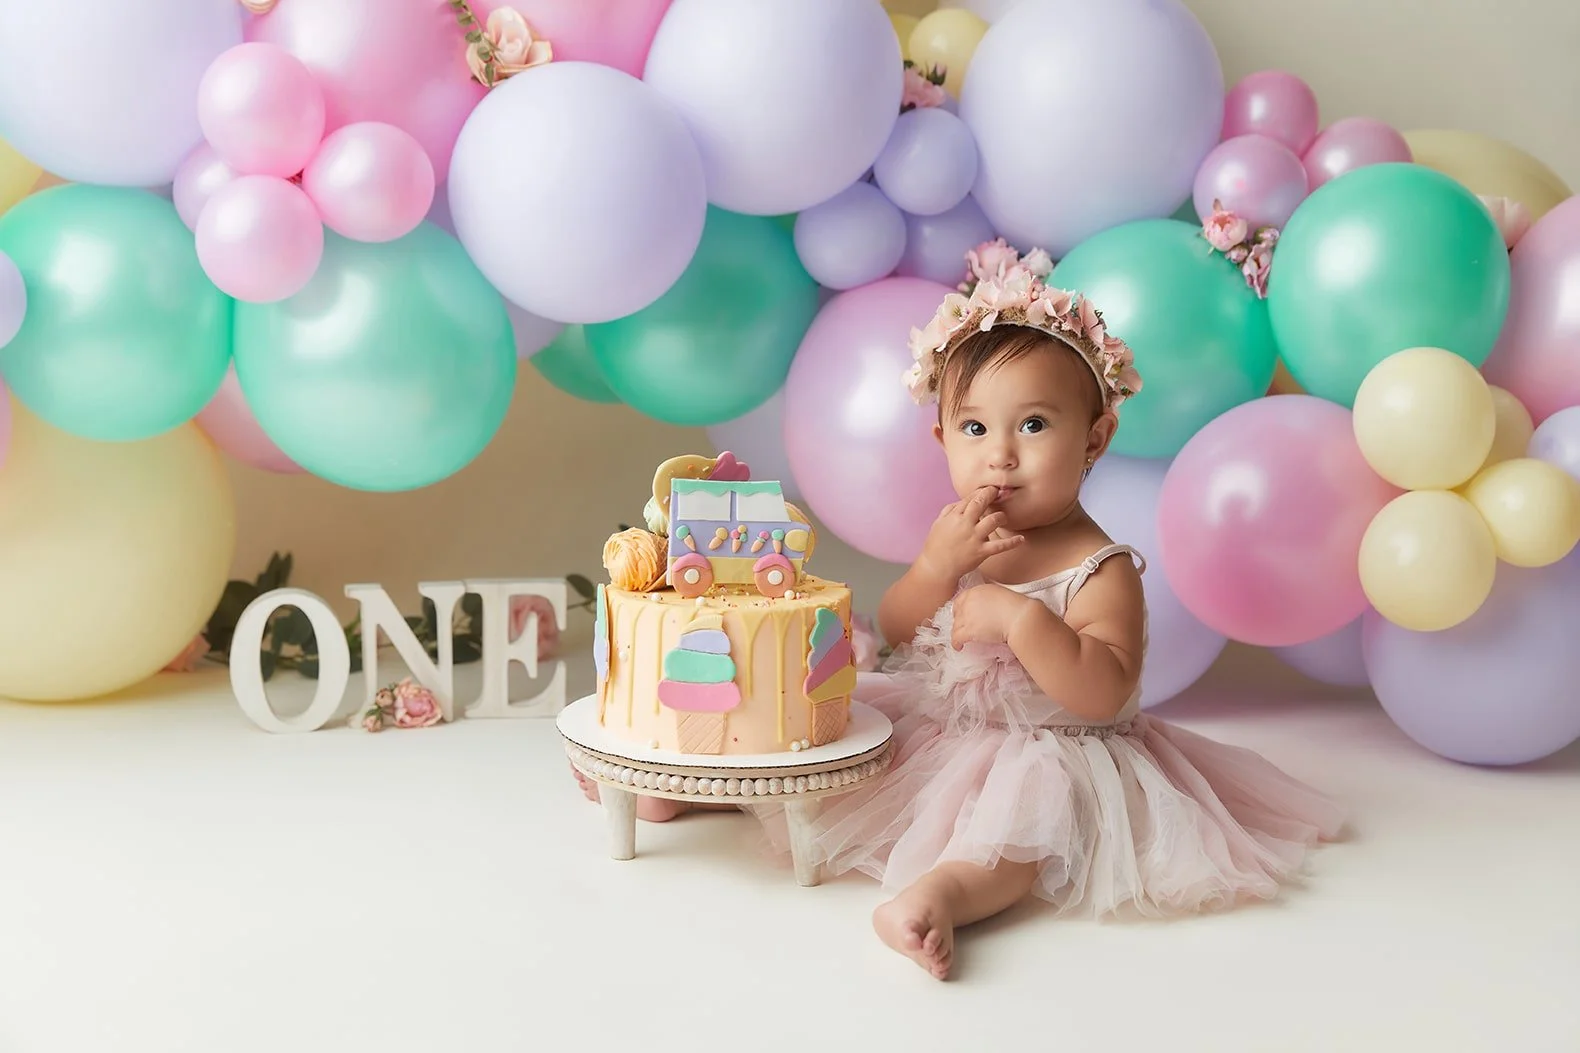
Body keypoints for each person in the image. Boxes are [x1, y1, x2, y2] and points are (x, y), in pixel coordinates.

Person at [757, 240, 1343, 980]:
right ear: (941, 437)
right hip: (945, 726)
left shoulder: (1100, 569)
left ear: (1095, 437)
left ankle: (942, 895)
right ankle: (702, 795)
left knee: (1017, 841)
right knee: (831, 741)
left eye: (1033, 425)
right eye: (974, 429)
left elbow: (1103, 693)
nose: (1000, 455)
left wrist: (1023, 620)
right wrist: (936, 567)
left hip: (1057, 752)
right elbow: (903, 634)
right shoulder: (963, 534)